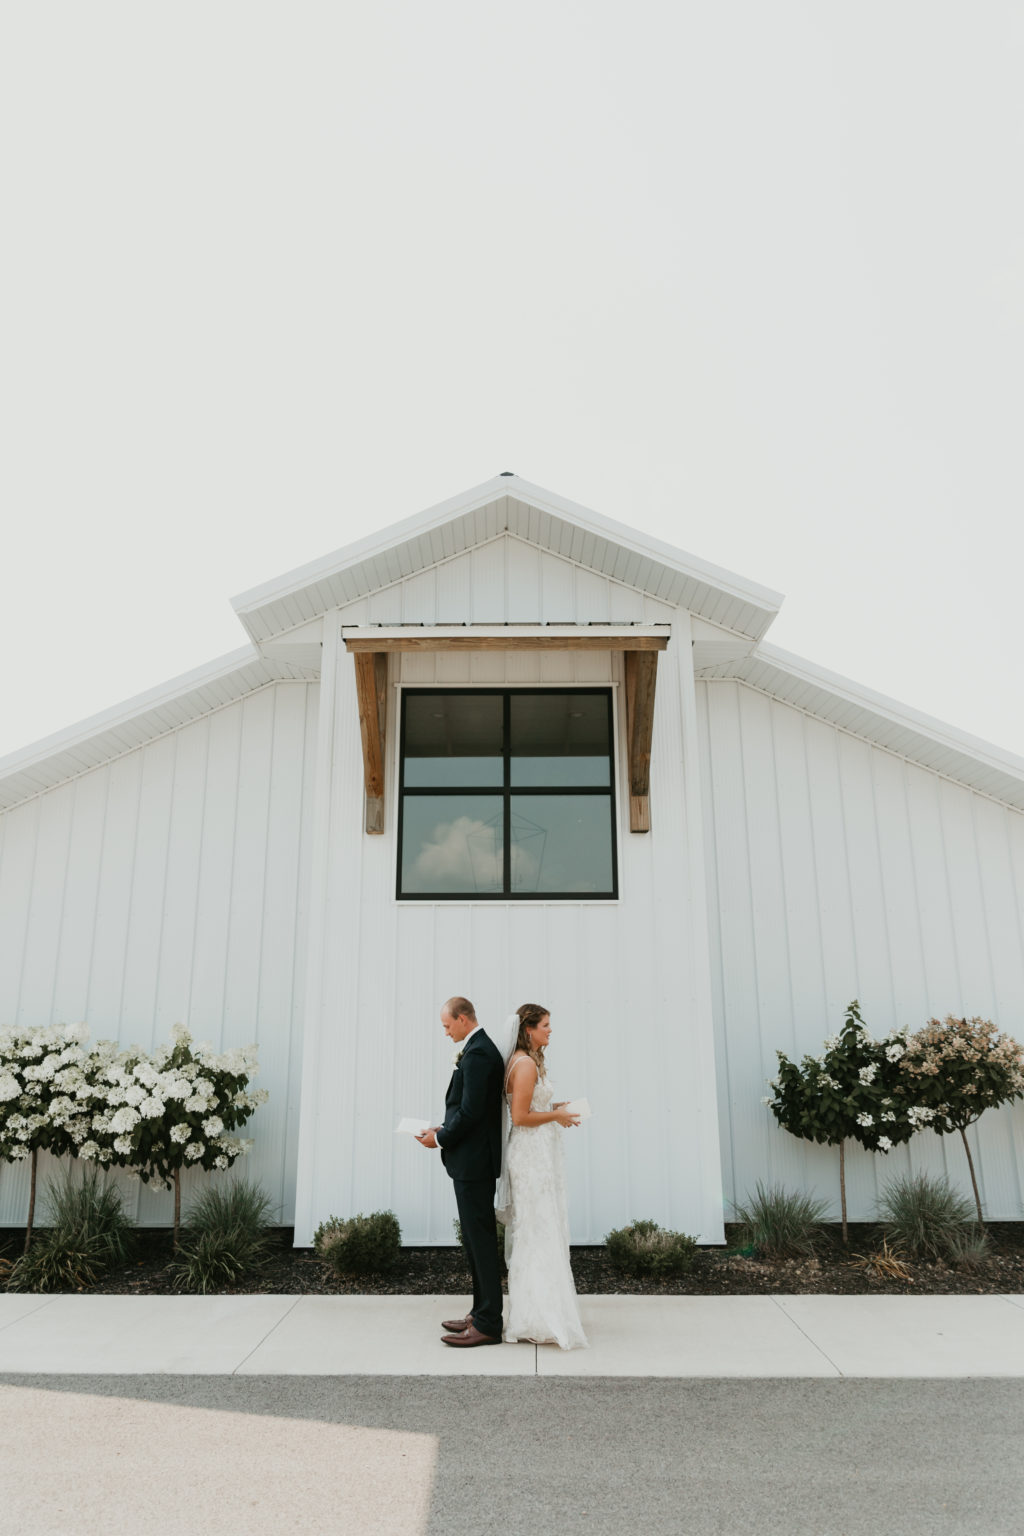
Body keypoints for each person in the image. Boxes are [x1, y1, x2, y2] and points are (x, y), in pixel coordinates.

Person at [416, 995, 505, 1347]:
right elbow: (465, 1111)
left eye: (447, 1024)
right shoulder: (476, 1049)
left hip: (474, 1163)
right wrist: (441, 1129)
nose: (445, 1031)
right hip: (469, 1160)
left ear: (464, 1019)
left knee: (480, 1241)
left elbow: (472, 1113)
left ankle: (489, 1324)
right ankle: (479, 1310)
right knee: (472, 1239)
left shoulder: (480, 1053)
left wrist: (440, 1141)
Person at [500, 1003, 588, 1349]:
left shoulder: (531, 1062)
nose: (551, 1031)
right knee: (537, 1231)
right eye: (546, 1025)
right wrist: (555, 1117)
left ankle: (540, 1311)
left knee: (541, 1229)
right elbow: (520, 1117)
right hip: (530, 1156)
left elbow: (531, 1108)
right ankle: (536, 1317)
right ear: (529, 1029)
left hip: (538, 1153)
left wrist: (558, 1110)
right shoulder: (523, 1065)